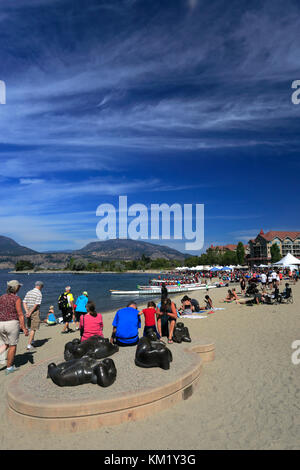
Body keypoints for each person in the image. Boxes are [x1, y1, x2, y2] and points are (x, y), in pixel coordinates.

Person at [0, 280, 29, 374]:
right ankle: (9, 368)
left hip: (1, 323)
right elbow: (20, 314)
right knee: (12, 345)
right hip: (11, 324)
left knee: (5, 344)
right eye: (19, 287)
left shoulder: (2, 297)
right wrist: (24, 328)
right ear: (16, 288)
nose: (20, 288)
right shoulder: (16, 299)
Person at [23, 281, 44, 351]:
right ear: (40, 286)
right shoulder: (39, 293)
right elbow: (36, 304)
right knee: (33, 328)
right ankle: (29, 345)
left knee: (30, 327)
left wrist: (27, 312)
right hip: (34, 311)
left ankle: (32, 341)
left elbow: (24, 302)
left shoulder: (29, 292)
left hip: (28, 310)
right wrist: (30, 312)